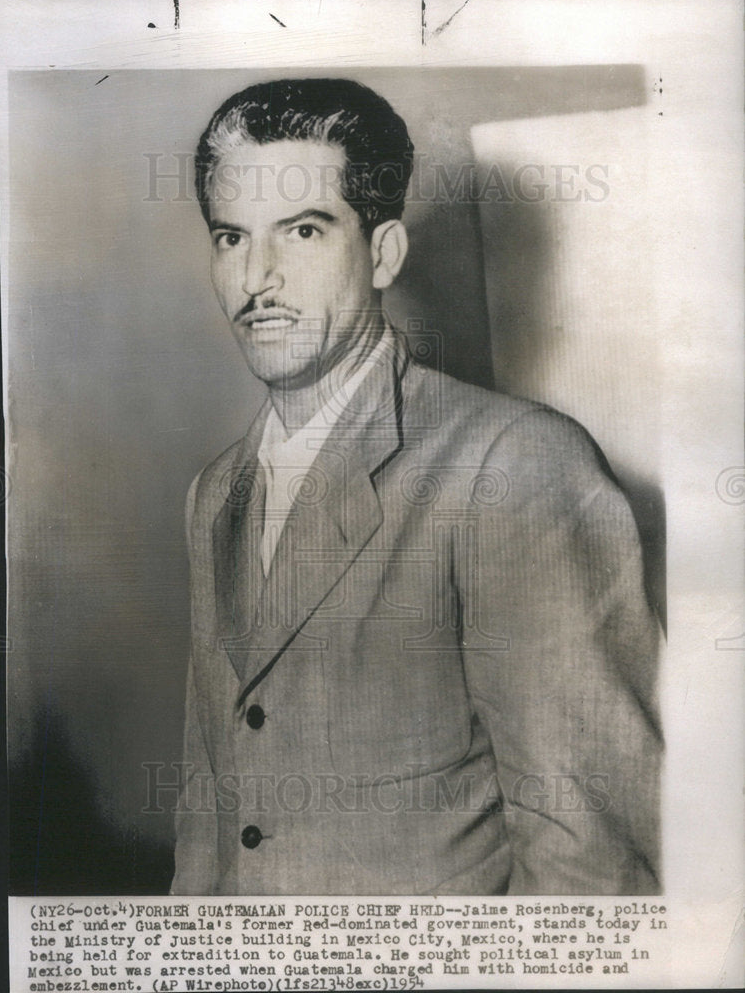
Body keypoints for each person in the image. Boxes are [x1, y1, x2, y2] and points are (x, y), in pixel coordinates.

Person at [170, 78, 661, 896]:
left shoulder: (515, 467)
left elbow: (590, 860)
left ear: (385, 252)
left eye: (300, 230)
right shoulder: (214, 492)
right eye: (230, 237)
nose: (256, 279)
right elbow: (207, 820)